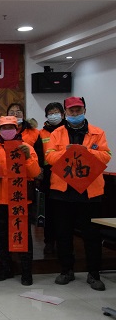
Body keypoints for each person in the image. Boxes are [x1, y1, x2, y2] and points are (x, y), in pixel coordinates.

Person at [46, 97, 112, 291]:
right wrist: (66, 152)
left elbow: (106, 156)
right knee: (63, 233)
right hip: (63, 192)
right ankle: (66, 270)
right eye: (71, 111)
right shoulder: (57, 133)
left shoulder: (97, 133)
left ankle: (94, 274)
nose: (75, 113)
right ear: (65, 113)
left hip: (90, 193)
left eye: (78, 110)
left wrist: (87, 152)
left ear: (84, 110)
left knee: (92, 235)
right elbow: (49, 156)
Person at [0, 116, 40, 286]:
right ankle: (6, 268)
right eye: (4, 128)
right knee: (2, 237)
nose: (7, 130)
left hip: (20, 201)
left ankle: (26, 272)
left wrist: (28, 158)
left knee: (23, 236)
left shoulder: (27, 147)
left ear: (17, 129)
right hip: (0, 200)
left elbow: (35, 173)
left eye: (11, 127)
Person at [38, 102, 66, 255]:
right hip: (48, 174)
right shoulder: (41, 133)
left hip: (67, 173)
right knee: (49, 211)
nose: (53, 115)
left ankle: (63, 243)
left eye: (56, 112)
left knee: (64, 212)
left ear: (62, 114)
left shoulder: (68, 130)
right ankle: (49, 241)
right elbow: (38, 154)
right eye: (50, 113)